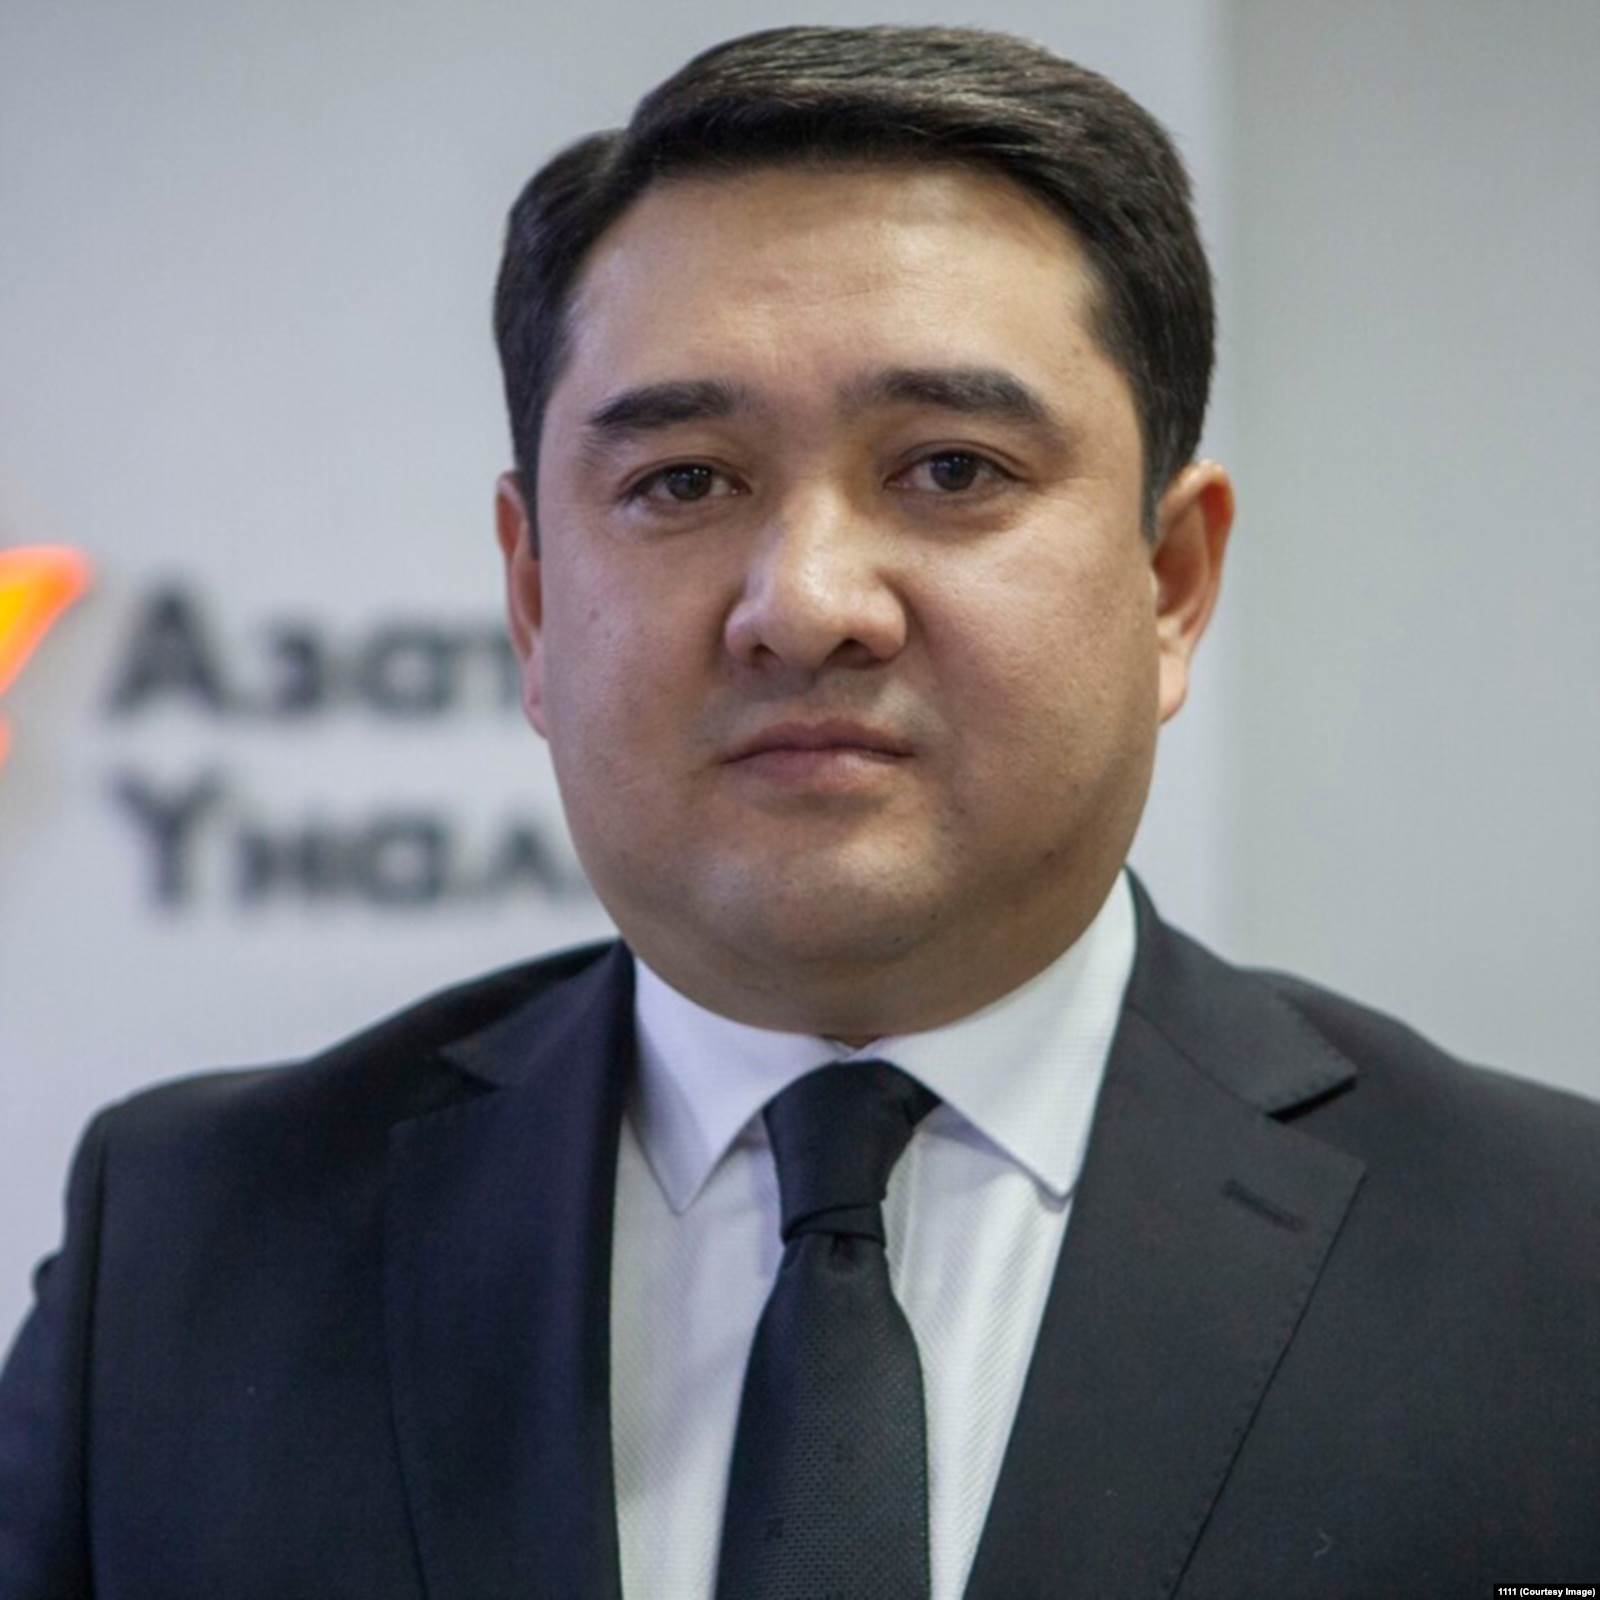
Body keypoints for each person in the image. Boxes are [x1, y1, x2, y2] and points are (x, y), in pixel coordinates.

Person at [1, 23, 1595, 1599]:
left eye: (952, 470)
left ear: (1170, 581)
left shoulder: (1553, 1263)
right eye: (685, 482)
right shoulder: (189, 1253)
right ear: (534, 601)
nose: (808, 603)